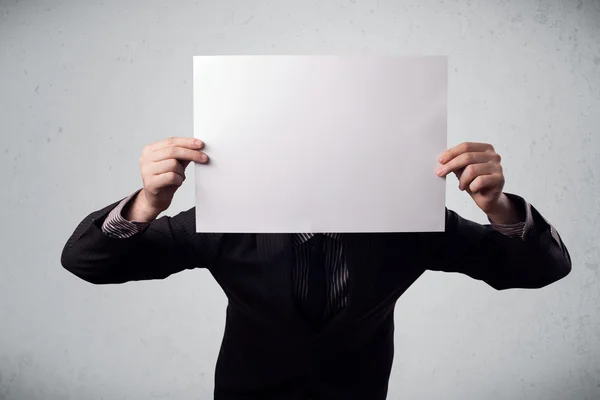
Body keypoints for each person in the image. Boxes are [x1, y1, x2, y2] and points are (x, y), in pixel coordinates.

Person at [61, 137, 571, 400]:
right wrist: (146, 202)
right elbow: (86, 260)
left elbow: (538, 268)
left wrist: (498, 205)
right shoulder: (225, 222)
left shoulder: (411, 225)